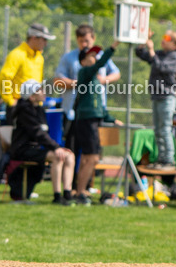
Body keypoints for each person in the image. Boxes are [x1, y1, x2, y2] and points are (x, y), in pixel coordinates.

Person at [7, 80, 75, 204]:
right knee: (57, 157)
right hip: (22, 149)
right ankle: (57, 196)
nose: (44, 92)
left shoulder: (38, 109)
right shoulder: (24, 110)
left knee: (69, 155)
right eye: (39, 90)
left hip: (35, 149)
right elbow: (38, 133)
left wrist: (57, 147)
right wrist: (56, 148)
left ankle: (67, 194)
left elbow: (44, 133)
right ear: (32, 96)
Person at [71, 43, 118, 206]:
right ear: (83, 61)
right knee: (92, 157)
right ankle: (80, 192)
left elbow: (99, 106)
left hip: (93, 119)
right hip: (86, 120)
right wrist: (112, 47)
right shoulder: (85, 72)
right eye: (91, 56)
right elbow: (100, 64)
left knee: (87, 158)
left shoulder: (95, 80)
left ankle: (80, 191)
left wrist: (111, 118)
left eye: (95, 56)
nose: (94, 59)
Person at [53, 24, 120, 132]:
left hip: (96, 110)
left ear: (93, 39)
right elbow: (57, 80)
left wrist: (102, 80)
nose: (84, 44)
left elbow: (116, 73)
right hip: (74, 111)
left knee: (93, 144)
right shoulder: (70, 57)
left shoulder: (99, 56)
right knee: (75, 145)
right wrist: (81, 84)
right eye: (81, 41)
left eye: (87, 41)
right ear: (83, 61)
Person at [134, 31, 176, 170]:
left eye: (167, 38)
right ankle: (161, 159)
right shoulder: (160, 53)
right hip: (156, 96)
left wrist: (151, 51)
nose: (164, 40)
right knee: (157, 130)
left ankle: (169, 160)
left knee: (165, 129)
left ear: (175, 45)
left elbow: (161, 67)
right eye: (164, 36)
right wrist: (145, 41)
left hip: (167, 97)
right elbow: (140, 53)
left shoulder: (174, 56)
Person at [0, 23, 55, 124]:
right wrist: (10, 101)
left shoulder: (39, 58)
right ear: (34, 38)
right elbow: (4, 77)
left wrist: (39, 102)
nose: (45, 44)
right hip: (19, 107)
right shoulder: (17, 54)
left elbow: (39, 82)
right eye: (44, 39)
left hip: (35, 106)